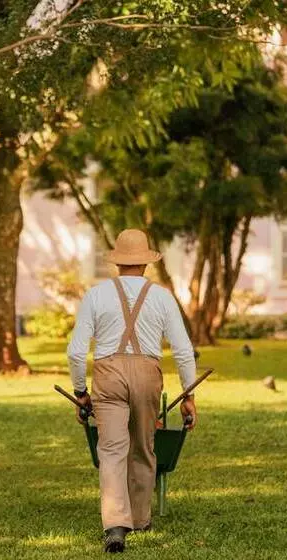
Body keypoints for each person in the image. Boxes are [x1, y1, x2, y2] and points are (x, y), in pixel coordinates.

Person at [67, 228, 197, 553]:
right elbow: (183, 350)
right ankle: (140, 519)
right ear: (146, 263)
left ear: (117, 262)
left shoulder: (96, 295)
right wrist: (189, 395)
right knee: (143, 445)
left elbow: (76, 352)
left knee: (111, 450)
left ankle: (115, 525)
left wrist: (80, 391)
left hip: (108, 374)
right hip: (147, 374)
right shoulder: (162, 296)